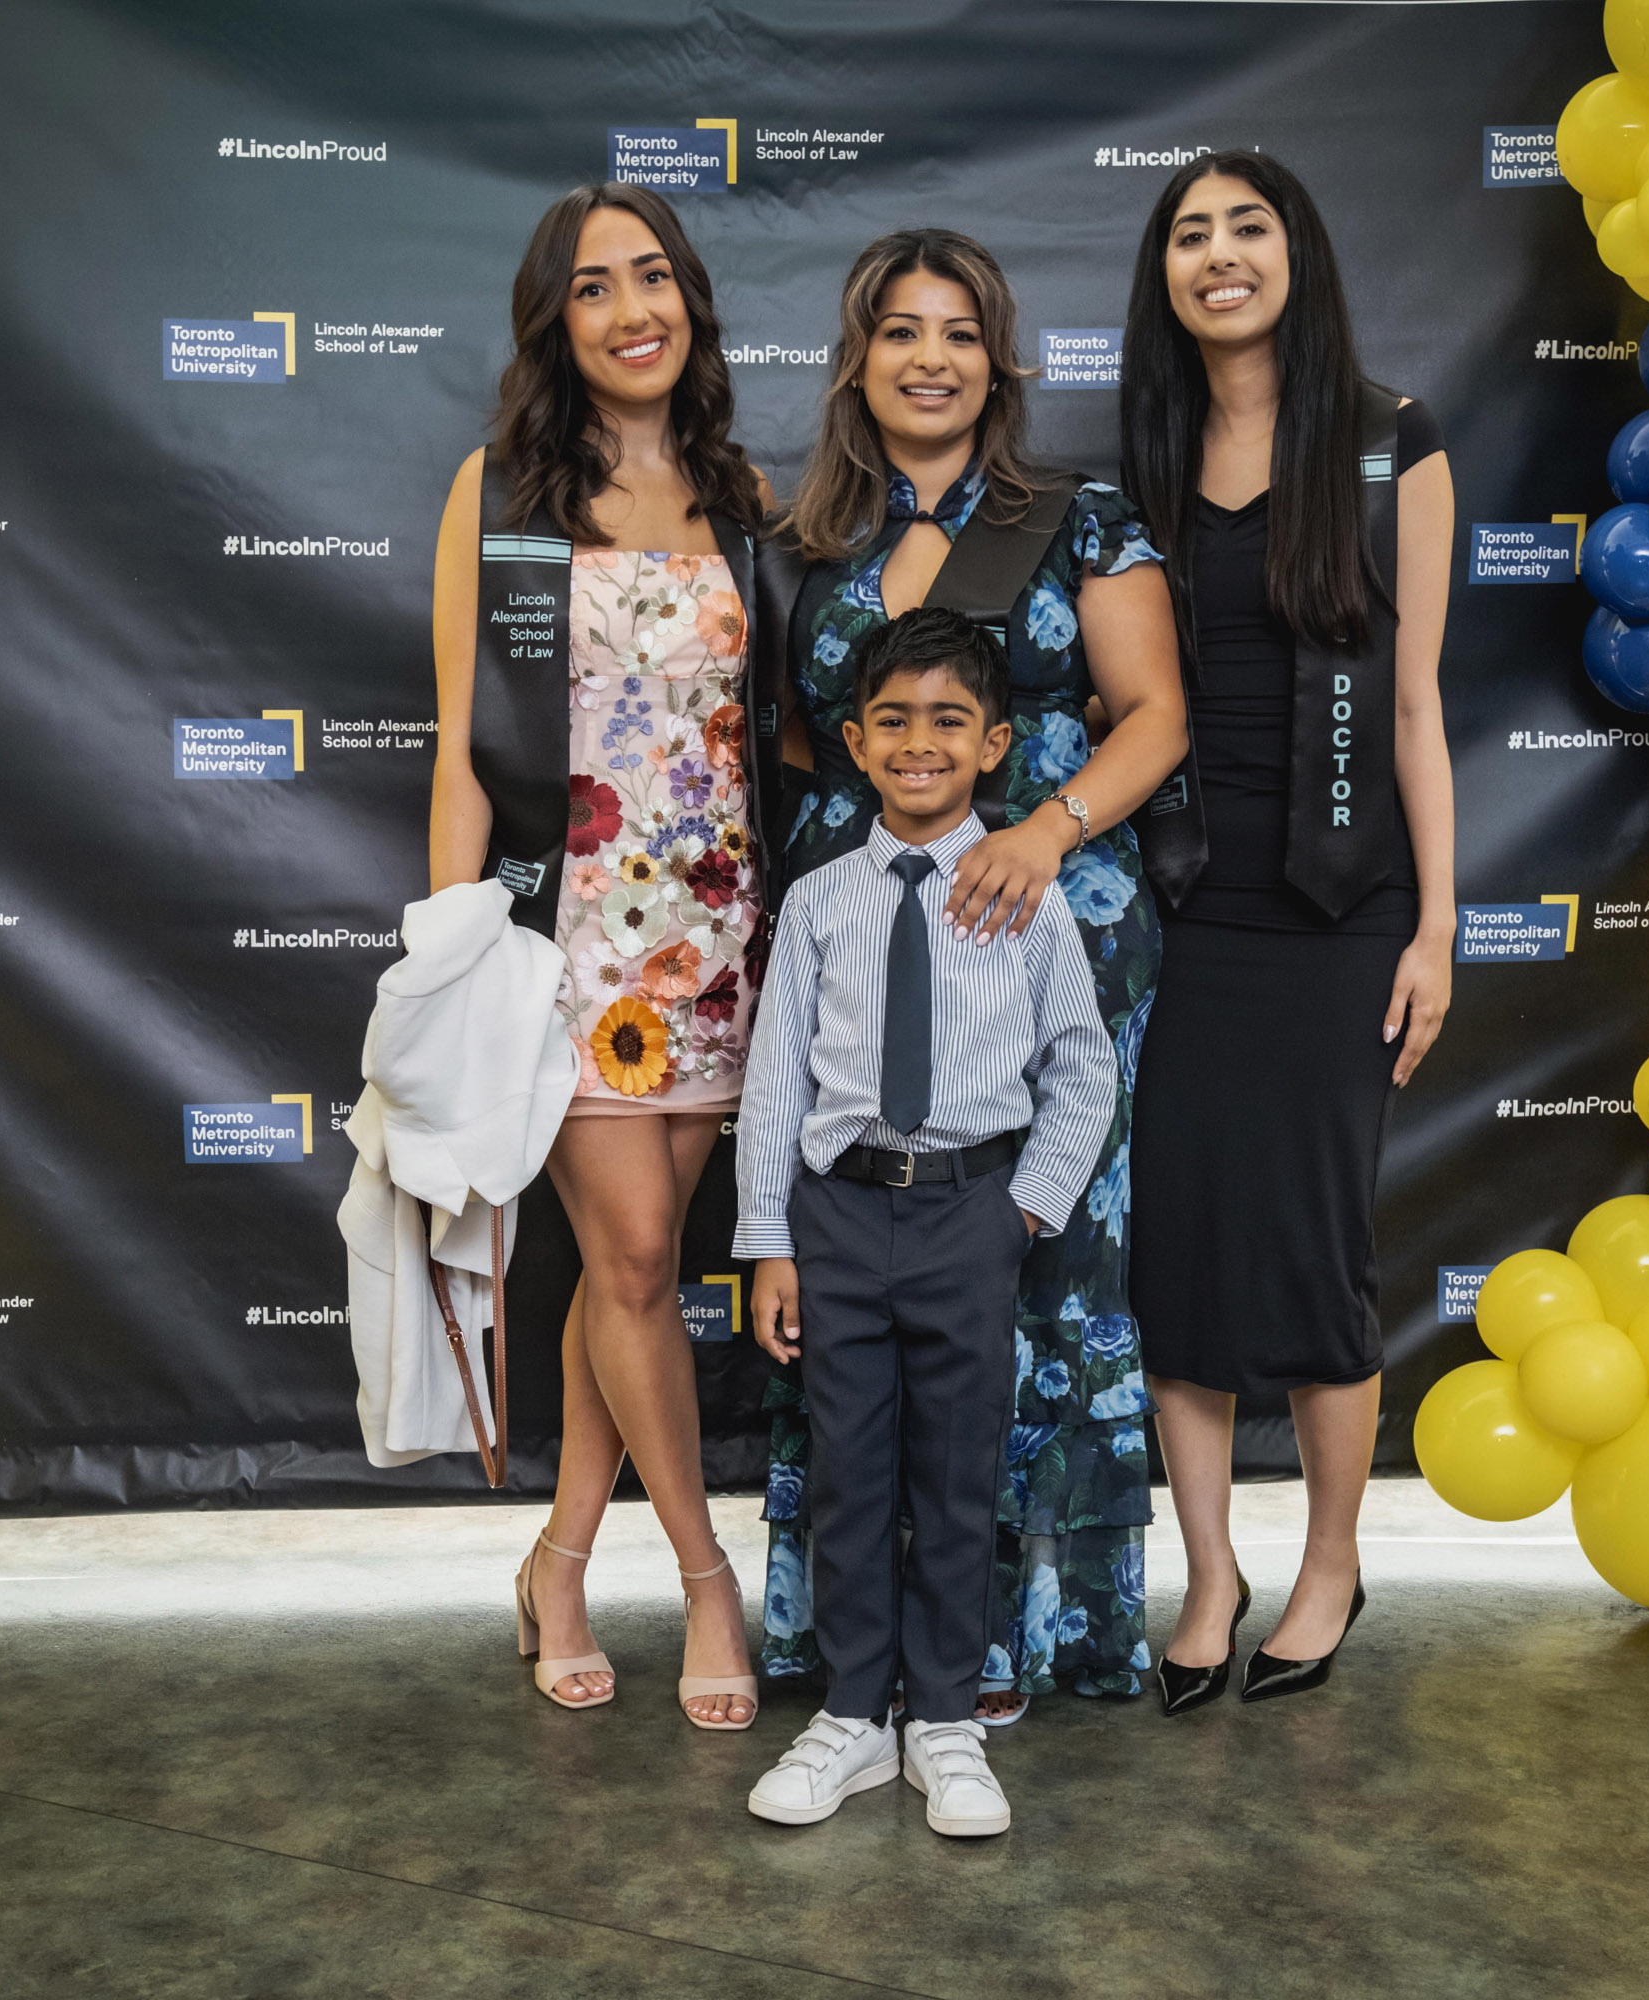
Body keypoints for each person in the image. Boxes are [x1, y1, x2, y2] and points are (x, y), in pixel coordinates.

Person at [756, 228, 1188, 1721]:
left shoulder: (1079, 516)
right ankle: (865, 1646)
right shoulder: (808, 539)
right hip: (866, 919)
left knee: (1042, 1262)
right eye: (898, 330)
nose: (928, 356)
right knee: (866, 1264)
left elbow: (1155, 715)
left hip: (1052, 917)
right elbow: (807, 747)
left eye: (958, 331)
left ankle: (1015, 1635)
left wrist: (1047, 829)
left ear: (998, 361)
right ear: (857, 360)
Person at [427, 183, 777, 1730]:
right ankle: (706, 1578)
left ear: (689, 300)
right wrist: (454, 964)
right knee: (632, 1259)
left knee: (628, 1283)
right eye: (592, 287)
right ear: (552, 323)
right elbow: (457, 751)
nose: (631, 308)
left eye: (654, 277)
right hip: (568, 947)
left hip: (723, 936)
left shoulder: (748, 494)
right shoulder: (496, 493)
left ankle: (557, 1561)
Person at [1119, 151, 1458, 1710]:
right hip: (1184, 904)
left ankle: (1332, 1564)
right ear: (1166, 277)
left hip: (1340, 910)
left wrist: (1437, 927)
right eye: (1190, 235)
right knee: (1178, 1253)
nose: (1218, 254)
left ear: (1296, 255)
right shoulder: (1144, 456)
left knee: (1319, 1255)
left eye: (1246, 227)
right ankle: (1209, 1574)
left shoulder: (1393, 448)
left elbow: (1412, 702)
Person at [737, 607, 1117, 1837]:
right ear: (853, 741)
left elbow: (1083, 1069)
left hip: (970, 1214)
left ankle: (944, 1717)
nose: (918, 742)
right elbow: (776, 1081)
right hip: (839, 1215)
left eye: (948, 720)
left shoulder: (1027, 895)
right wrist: (770, 1243)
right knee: (849, 1471)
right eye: (892, 719)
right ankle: (853, 1712)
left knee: (958, 1475)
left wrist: (1023, 1211)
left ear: (995, 744)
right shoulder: (819, 902)